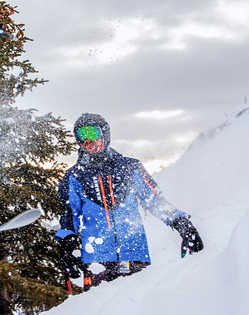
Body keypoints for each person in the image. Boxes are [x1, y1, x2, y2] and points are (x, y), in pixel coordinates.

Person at [56, 112, 204, 286]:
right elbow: (69, 216)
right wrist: (68, 249)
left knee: (138, 309)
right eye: (81, 136)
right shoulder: (74, 177)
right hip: (97, 261)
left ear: (105, 134)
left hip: (134, 255)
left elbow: (155, 201)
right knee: (99, 310)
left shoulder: (130, 168)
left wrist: (181, 223)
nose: (87, 141)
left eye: (91, 133)